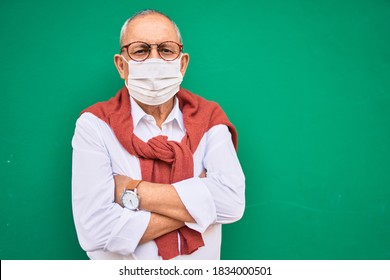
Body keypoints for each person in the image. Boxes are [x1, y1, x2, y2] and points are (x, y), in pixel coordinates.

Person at [71, 9, 245, 260]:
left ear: (182, 63)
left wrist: (132, 191)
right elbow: (95, 232)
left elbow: (231, 203)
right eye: (140, 51)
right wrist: (199, 203)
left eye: (166, 50)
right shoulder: (94, 125)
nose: (154, 60)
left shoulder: (209, 118)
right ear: (122, 65)